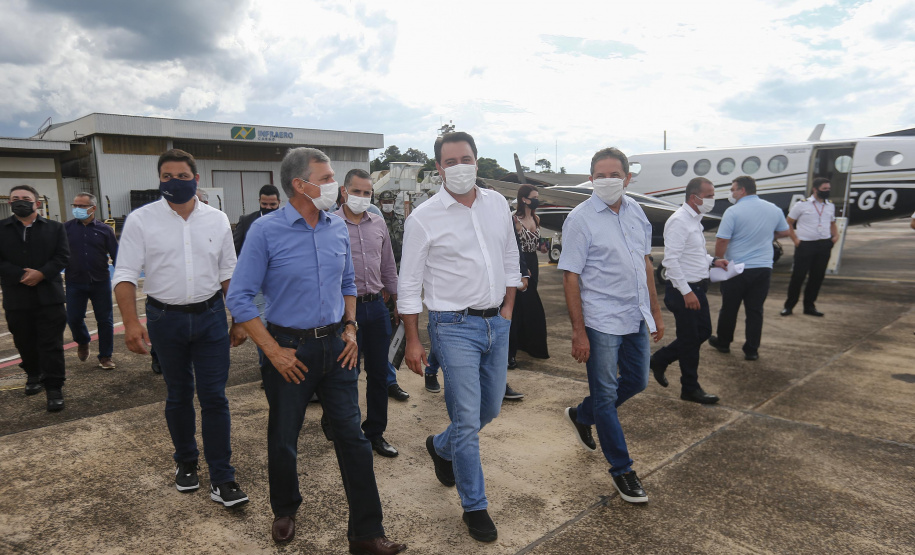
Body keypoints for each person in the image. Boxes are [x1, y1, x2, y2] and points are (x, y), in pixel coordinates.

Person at [226, 148, 405, 554]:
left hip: (337, 348)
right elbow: (239, 298)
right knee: (284, 436)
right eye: (325, 178)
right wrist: (273, 352)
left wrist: (351, 328)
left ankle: (366, 533)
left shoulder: (336, 227)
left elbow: (347, 284)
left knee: (353, 438)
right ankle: (285, 507)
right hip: (288, 350)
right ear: (299, 184)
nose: (334, 186)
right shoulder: (266, 231)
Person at [399, 131, 521, 543]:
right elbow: (408, 283)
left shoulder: (498, 204)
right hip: (452, 328)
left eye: (465, 158)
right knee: (467, 419)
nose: (459, 167)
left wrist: (507, 310)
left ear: (476, 159)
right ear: (438, 168)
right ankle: (475, 506)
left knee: (488, 411)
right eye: (450, 162)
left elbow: (509, 256)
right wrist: (414, 340)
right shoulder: (424, 218)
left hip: (496, 323)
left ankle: (441, 446)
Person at [113, 148, 250, 508]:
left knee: (215, 397)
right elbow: (125, 274)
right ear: (160, 179)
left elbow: (229, 274)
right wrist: (130, 323)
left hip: (209, 318)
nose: (175, 182)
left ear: (196, 179)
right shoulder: (141, 220)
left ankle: (223, 477)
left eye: (183, 176)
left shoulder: (217, 220)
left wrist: (238, 320)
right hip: (164, 319)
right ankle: (186, 461)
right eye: (167, 177)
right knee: (178, 394)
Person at [558, 147, 664, 504]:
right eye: (599, 175)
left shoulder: (636, 212)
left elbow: (645, 263)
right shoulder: (580, 219)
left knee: (636, 380)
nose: (607, 181)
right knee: (605, 395)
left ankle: (581, 414)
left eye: (614, 175)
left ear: (627, 178)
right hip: (600, 319)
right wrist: (578, 330)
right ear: (590, 178)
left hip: (634, 315)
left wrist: (656, 311)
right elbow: (570, 277)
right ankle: (622, 470)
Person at [335, 168, 401, 458]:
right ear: (344, 191)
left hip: (375, 307)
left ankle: (375, 432)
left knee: (378, 373)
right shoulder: (330, 224)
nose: (362, 197)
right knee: (345, 374)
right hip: (342, 311)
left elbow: (388, 264)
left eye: (367, 192)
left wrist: (397, 299)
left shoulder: (378, 224)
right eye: (357, 191)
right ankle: (344, 428)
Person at [650, 178, 727, 404]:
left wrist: (714, 261)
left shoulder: (695, 220)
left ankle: (659, 360)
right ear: (695, 197)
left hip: (697, 287)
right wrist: (686, 292)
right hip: (685, 290)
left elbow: (692, 254)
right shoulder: (679, 221)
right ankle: (690, 388)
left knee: (701, 333)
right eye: (710, 195)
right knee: (691, 339)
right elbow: (671, 261)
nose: (713, 199)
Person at [0, 185, 69, 412]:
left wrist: (41, 273)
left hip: (49, 297)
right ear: (10, 203)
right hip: (17, 298)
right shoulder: (2, 229)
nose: (20, 202)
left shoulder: (55, 228)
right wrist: (20, 275)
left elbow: (62, 256)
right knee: (24, 342)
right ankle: (32, 374)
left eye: (25, 198)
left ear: (36, 203)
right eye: (15, 198)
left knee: (51, 345)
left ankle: (54, 388)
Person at [708, 176, 790, 361]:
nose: (731, 193)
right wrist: (767, 235)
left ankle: (724, 342)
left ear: (742, 190)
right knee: (755, 310)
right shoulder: (773, 209)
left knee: (729, 308)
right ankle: (751, 350)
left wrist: (719, 259)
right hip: (763, 268)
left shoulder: (733, 211)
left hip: (736, 267)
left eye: (733, 189)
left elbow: (722, 239)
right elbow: (785, 231)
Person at [64, 192, 118, 370]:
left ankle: (105, 356)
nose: (77, 209)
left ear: (92, 208)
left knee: (105, 320)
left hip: (100, 281)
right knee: (73, 318)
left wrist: (122, 278)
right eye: (75, 206)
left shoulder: (105, 230)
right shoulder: (66, 229)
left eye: (81, 206)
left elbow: (116, 255)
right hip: (74, 281)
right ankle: (83, 340)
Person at [781, 178, 838, 317]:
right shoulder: (801, 205)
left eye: (828, 189)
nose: (827, 191)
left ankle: (809, 306)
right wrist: (795, 240)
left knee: (817, 277)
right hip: (805, 245)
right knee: (798, 277)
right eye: (824, 189)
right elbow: (788, 222)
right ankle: (789, 306)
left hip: (824, 244)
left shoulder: (830, 205)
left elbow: (832, 222)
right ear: (815, 189)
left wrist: (835, 236)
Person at [509, 184, 550, 367]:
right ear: (524, 199)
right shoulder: (514, 220)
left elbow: (536, 245)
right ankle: (521, 345)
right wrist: (523, 269)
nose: (536, 200)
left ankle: (523, 343)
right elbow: (514, 248)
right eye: (534, 196)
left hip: (534, 260)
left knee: (527, 304)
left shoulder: (537, 218)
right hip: (522, 262)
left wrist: (543, 247)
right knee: (523, 305)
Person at [233, 184, 281, 255]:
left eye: (272, 204)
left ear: (279, 202)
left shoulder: (288, 222)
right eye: (264, 204)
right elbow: (234, 251)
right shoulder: (246, 222)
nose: (268, 207)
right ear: (259, 201)